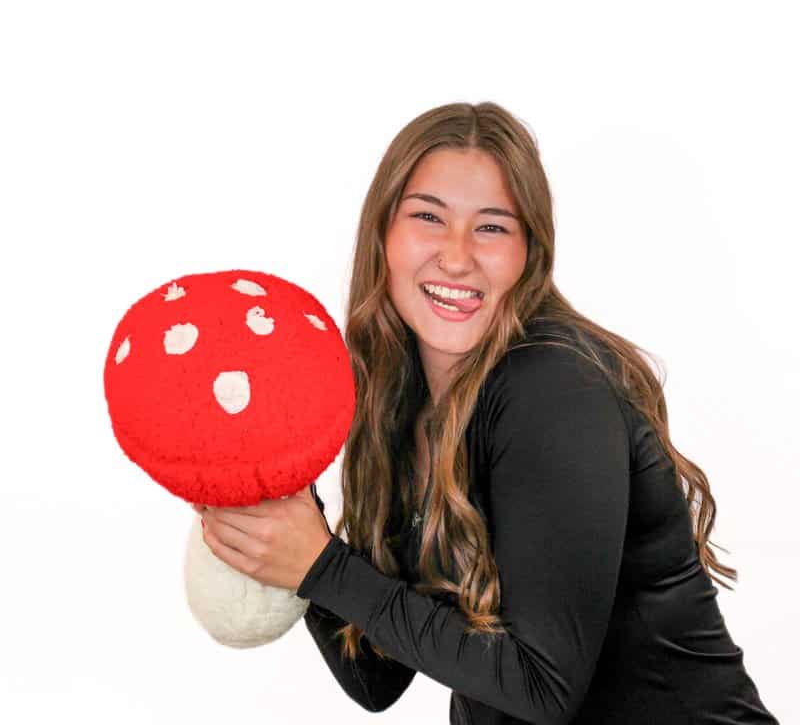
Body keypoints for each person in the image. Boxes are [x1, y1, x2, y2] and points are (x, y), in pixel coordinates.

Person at [204, 101, 780, 723]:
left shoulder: (554, 391)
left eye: (492, 227)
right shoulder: (402, 400)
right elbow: (375, 677)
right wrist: (294, 517)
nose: (456, 257)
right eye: (428, 217)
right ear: (383, 236)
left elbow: (544, 689)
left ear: (530, 252)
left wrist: (322, 565)